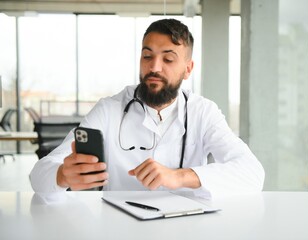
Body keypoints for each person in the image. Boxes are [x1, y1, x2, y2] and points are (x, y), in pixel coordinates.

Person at [30, 18, 265, 198]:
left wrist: (180, 176)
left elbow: (253, 174)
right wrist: (61, 175)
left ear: (188, 69)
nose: (155, 67)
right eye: (147, 56)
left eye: (168, 59)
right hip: (120, 228)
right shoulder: (109, 110)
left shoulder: (203, 112)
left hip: (186, 228)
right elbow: (39, 174)